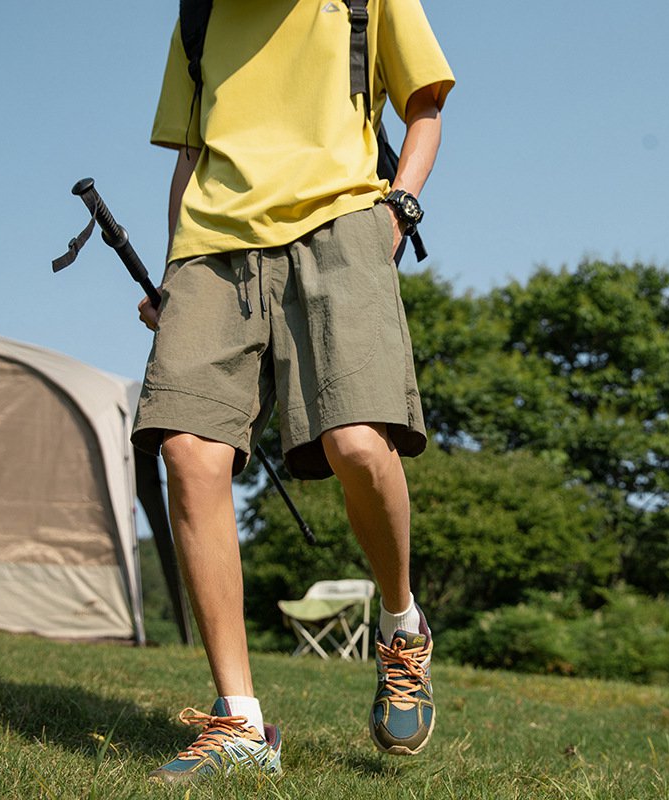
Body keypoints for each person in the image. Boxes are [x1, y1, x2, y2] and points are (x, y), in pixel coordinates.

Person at [132, 0, 454, 783]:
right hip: (212, 244)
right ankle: (239, 722)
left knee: (358, 444)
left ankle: (401, 627)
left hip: (341, 222)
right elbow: (191, 151)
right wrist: (174, 269)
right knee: (188, 452)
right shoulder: (200, 12)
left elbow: (425, 107)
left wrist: (400, 207)